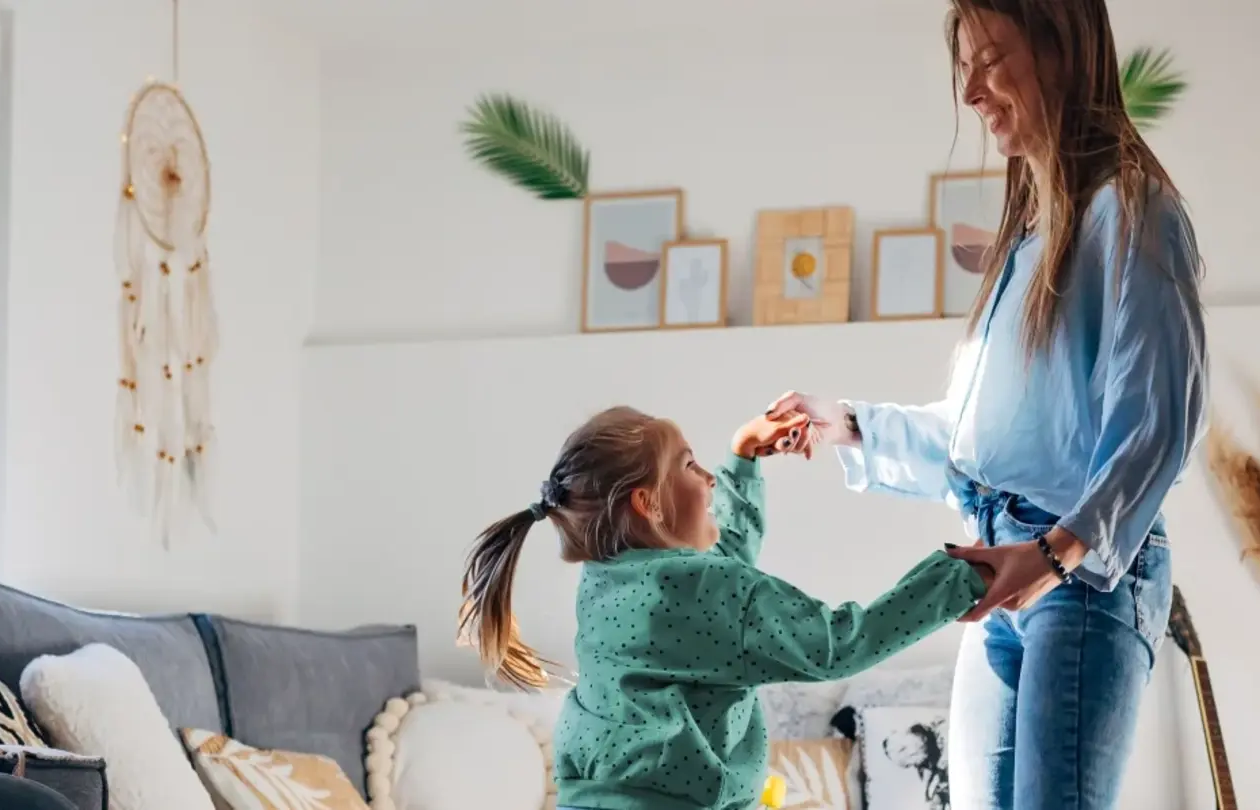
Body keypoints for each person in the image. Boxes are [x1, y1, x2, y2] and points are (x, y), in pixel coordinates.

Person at [765, 1, 1208, 808]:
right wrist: (849, 424)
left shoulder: (1132, 213)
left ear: (1063, 52)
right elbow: (992, 445)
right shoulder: (1032, 238)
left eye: (991, 59)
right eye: (963, 67)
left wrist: (1054, 556)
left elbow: (1158, 423)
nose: (970, 91)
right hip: (1001, 571)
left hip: (1076, 574)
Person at [458, 406, 994, 810]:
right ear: (647, 503)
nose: (707, 477)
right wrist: (962, 576)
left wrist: (743, 457)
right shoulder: (696, 591)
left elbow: (718, 588)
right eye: (690, 465)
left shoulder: (608, 581)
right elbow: (836, 645)